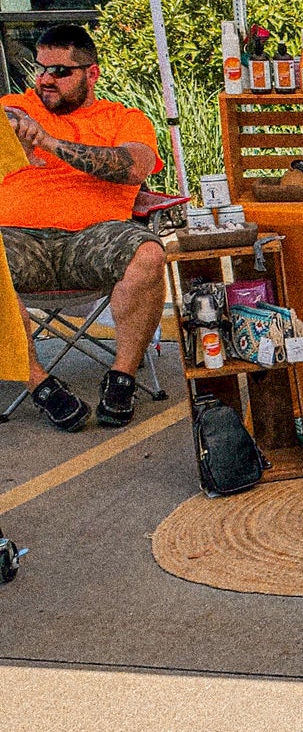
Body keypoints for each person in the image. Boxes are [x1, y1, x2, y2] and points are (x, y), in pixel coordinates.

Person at [0, 23, 163, 430]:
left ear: (92, 74)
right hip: (18, 238)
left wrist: (49, 143)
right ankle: (40, 383)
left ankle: (122, 377)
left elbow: (134, 166)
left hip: (94, 237)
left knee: (149, 252)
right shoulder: (13, 109)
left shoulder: (123, 119)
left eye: (60, 71)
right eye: (40, 69)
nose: (45, 80)